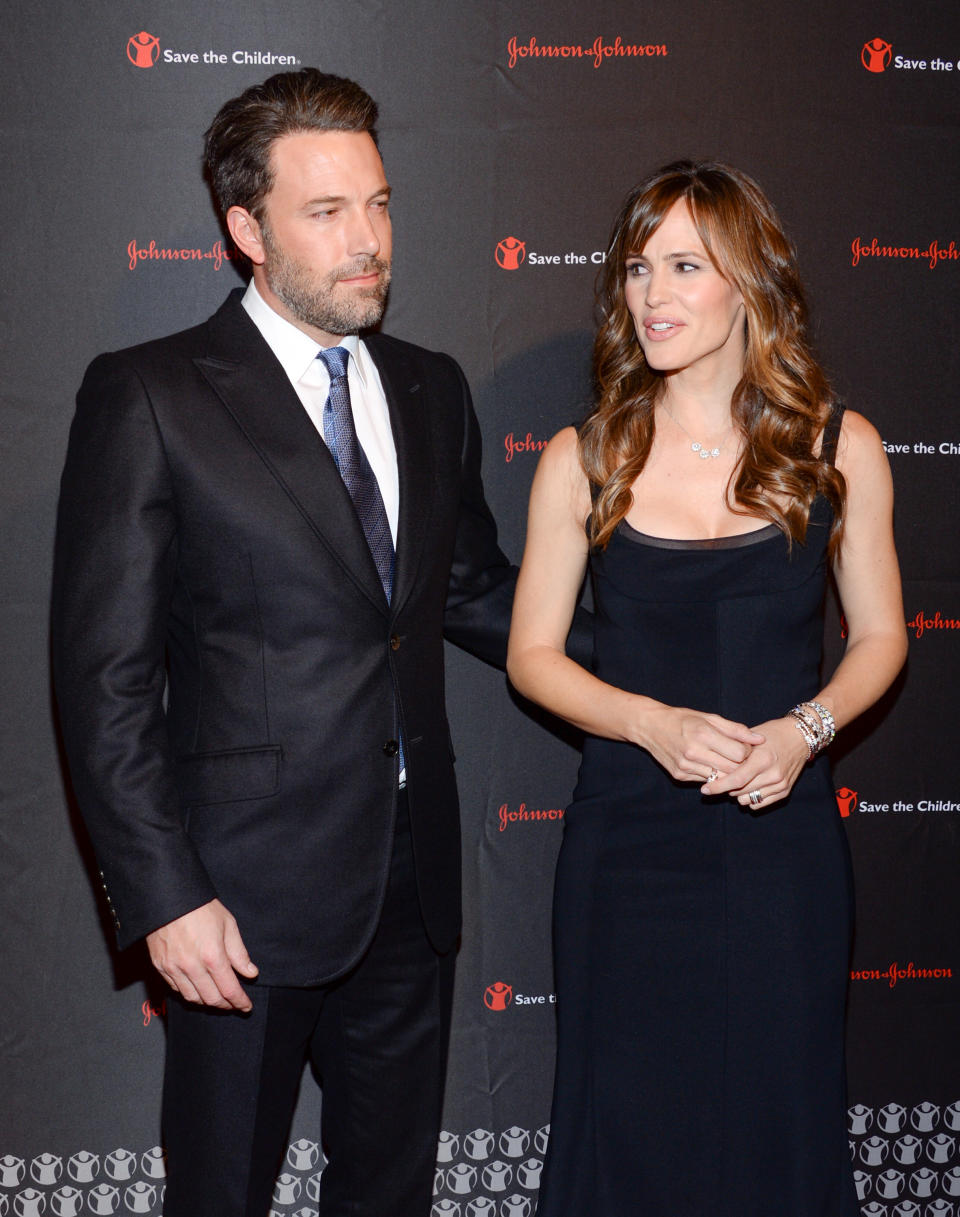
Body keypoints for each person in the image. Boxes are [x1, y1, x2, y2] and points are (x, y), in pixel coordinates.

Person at [52, 69, 520, 1217]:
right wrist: (164, 895)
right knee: (220, 1193)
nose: (368, 241)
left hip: (411, 888)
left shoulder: (431, 387)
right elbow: (101, 680)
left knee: (389, 1193)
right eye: (327, 213)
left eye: (379, 203)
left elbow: (473, 594)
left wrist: (673, 644)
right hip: (237, 905)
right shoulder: (151, 395)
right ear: (245, 229)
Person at [506, 161, 907, 1215]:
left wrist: (804, 731)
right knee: (624, 1120)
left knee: (781, 1111)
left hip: (783, 847)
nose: (652, 294)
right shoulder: (585, 457)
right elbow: (533, 656)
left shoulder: (838, 448)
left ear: (750, 284)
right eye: (639, 269)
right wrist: (648, 722)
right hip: (627, 848)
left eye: (685, 266)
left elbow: (881, 636)